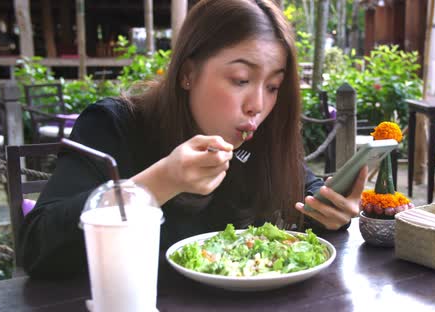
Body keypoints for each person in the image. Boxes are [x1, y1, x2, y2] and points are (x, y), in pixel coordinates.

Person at [19, 0, 368, 278]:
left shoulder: (262, 139)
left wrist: (328, 210)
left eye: (273, 86)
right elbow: (37, 247)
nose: (258, 106)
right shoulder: (115, 124)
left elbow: (303, 194)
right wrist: (157, 184)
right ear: (188, 73)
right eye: (241, 79)